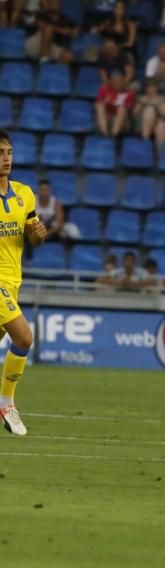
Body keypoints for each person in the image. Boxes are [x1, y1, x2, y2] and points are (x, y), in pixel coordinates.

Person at [0, 131, 46, 435]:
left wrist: (37, 236)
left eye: (9, 153)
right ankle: (7, 403)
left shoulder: (24, 194)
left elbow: (31, 234)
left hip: (13, 280)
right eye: (0, 153)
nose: (6, 159)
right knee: (25, 338)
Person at [132, 79, 165, 151]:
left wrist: (156, 104)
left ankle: (160, 156)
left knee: (161, 125)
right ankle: (145, 145)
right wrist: (143, 104)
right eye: (149, 89)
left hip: (158, 123)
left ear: (157, 89)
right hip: (142, 123)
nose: (151, 92)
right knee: (149, 110)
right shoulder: (141, 98)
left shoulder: (162, 99)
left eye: (153, 89)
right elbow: (134, 113)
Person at [94, 70, 134, 138]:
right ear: (110, 81)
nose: (117, 83)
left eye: (119, 80)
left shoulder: (129, 92)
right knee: (100, 105)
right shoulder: (104, 89)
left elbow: (128, 110)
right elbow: (96, 105)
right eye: (114, 80)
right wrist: (104, 102)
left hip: (123, 121)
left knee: (122, 108)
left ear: (123, 81)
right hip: (106, 118)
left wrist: (112, 103)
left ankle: (113, 136)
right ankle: (105, 134)